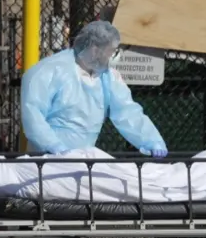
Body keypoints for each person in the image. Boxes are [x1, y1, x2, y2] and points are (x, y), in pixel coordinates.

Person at [21, 20, 168, 158]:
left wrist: (151, 140)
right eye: (111, 51)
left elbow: (127, 112)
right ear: (94, 49)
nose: (114, 56)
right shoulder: (50, 70)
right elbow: (33, 114)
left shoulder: (108, 77)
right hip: (47, 158)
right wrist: (54, 146)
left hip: (84, 159)